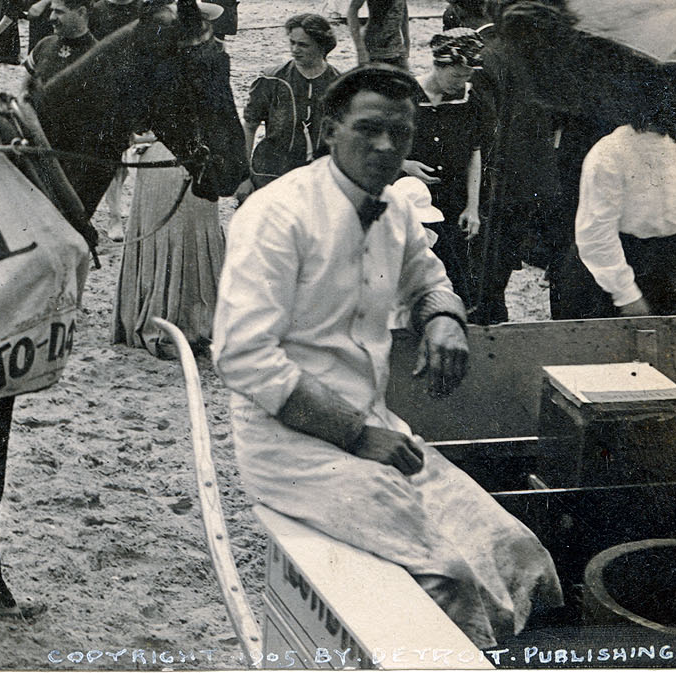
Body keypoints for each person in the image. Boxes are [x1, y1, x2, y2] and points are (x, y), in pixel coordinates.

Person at [214, 65, 560, 648]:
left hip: (380, 430)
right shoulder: (277, 216)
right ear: (329, 130)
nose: (384, 146)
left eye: (399, 134)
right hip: (294, 449)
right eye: (368, 129)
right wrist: (355, 434)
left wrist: (445, 319)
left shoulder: (396, 209)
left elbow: (429, 278)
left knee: (519, 553)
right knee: (448, 579)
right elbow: (242, 356)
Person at [115, 0, 230, 357]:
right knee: (183, 233)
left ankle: (165, 317)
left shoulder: (162, 62)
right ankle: (181, 322)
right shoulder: (197, 63)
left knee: (180, 233)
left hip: (170, 156)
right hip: (179, 159)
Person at [570, 115, 676, 318]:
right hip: (614, 267)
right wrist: (627, 295)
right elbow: (596, 233)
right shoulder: (609, 153)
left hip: (670, 265)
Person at [407, 28, 492, 303]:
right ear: (438, 66)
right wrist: (405, 165)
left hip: (453, 200)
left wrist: (473, 206)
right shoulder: (407, 95)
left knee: (457, 273)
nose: (460, 83)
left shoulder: (470, 99)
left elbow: (474, 153)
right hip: (412, 197)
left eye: (466, 77)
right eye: (456, 76)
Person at [239, 13, 343, 195]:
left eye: (303, 44)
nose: (295, 49)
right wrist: (243, 177)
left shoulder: (339, 84)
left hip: (320, 179)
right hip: (271, 174)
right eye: (292, 43)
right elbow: (249, 127)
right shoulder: (272, 79)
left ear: (321, 46)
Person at [24, 0, 95, 97]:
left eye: (59, 12)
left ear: (81, 12)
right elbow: (24, 92)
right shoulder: (44, 45)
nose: (52, 17)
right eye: (52, 11)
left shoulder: (96, 54)